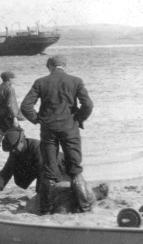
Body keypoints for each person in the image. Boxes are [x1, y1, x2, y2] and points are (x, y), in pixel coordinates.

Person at [20, 55, 94, 214]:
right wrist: (78, 119)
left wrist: (38, 120)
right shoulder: (76, 81)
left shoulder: (40, 82)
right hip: (70, 129)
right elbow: (88, 105)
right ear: (64, 66)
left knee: (48, 169)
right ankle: (84, 207)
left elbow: (25, 106)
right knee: (74, 168)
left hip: (48, 130)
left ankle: (45, 210)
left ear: (49, 67)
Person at [0, 127, 69, 205]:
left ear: (22, 142)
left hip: (60, 168)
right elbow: (6, 171)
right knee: (17, 174)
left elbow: (43, 173)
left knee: (53, 194)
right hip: (42, 169)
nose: (13, 151)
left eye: (14, 148)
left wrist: (40, 194)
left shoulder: (36, 147)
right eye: (11, 150)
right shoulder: (15, 152)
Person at [0, 71, 22, 167]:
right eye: (13, 78)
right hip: (8, 117)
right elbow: (10, 104)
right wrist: (15, 117)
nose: (14, 80)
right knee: (18, 137)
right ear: (10, 79)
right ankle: (17, 161)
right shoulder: (10, 89)